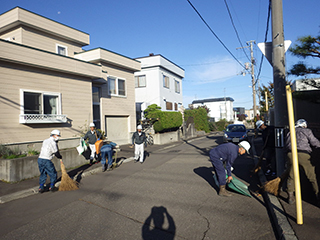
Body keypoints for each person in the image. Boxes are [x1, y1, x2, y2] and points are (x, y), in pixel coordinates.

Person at [285, 119, 320, 205]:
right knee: (312, 176)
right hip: (303, 154)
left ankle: (290, 196)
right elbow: (314, 142)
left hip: (291, 154)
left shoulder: (290, 132)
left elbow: (286, 144)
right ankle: (318, 196)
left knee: (291, 175)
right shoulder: (306, 131)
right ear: (304, 125)